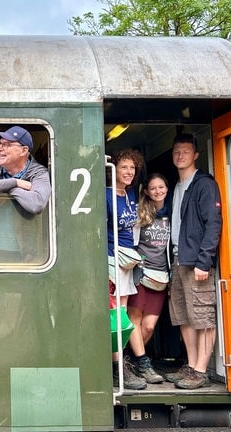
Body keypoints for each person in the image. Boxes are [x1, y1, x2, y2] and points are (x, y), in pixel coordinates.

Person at [164, 133, 222, 390]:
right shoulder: (176, 186)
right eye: (177, 151)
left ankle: (201, 369)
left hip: (196, 262)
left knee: (203, 316)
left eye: (185, 151)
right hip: (178, 260)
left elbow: (214, 224)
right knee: (184, 316)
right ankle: (191, 364)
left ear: (196, 155)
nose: (180, 155)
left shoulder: (204, 185)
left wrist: (204, 261)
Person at [0, 126, 51, 262]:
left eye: (7, 145)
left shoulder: (39, 172)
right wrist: (14, 183)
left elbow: (37, 204)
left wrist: (8, 187)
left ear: (24, 150)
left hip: (23, 253)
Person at [106, 148, 146, 390]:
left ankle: (123, 365)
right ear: (113, 171)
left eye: (132, 168)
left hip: (127, 261)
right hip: (112, 258)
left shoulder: (131, 195)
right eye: (124, 167)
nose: (129, 172)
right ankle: (117, 367)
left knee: (121, 315)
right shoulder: (106, 195)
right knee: (116, 317)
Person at [126, 173, 171, 385]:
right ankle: (143, 363)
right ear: (146, 191)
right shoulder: (140, 213)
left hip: (162, 275)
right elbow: (131, 242)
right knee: (134, 319)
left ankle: (132, 358)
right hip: (141, 271)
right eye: (153, 188)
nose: (157, 191)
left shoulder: (173, 212)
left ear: (167, 189)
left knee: (150, 325)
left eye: (161, 187)